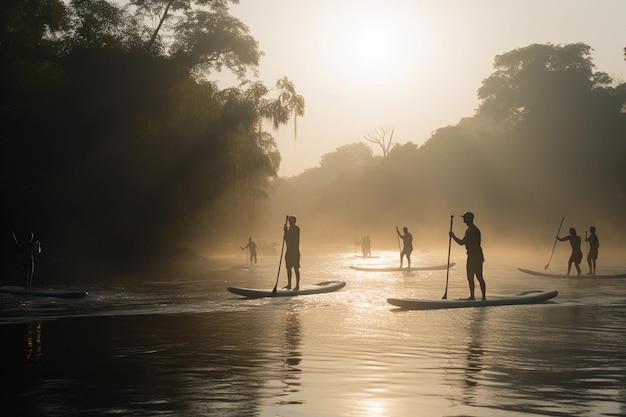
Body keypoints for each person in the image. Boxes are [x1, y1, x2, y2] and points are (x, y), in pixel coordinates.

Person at [450, 212, 486, 300]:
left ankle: (482, 297)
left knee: (478, 276)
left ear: (469, 219)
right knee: (471, 277)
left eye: (465, 218)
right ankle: (473, 296)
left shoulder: (472, 230)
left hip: (475, 256)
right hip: (473, 256)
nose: (463, 219)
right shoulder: (470, 229)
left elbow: (462, 243)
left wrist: (453, 236)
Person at [283, 216, 301, 291]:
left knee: (296, 268)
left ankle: (297, 285)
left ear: (295, 221)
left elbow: (293, 239)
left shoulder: (296, 229)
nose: (290, 222)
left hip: (295, 252)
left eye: (292, 221)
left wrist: (287, 232)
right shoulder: (289, 229)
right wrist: (285, 232)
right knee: (288, 268)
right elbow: (285, 239)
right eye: (290, 221)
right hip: (288, 252)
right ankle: (289, 284)